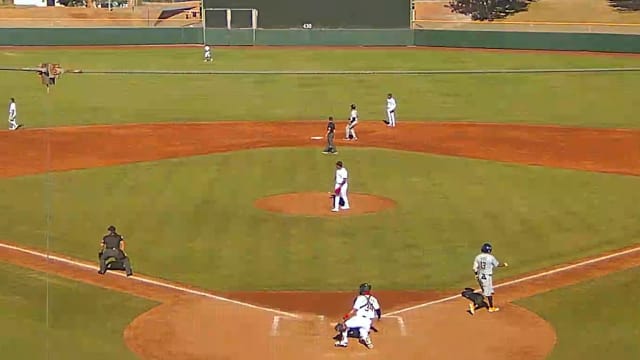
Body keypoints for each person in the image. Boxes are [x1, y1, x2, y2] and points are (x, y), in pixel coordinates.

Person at [334, 283, 381, 349]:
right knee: (363, 333)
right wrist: (378, 317)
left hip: (359, 319)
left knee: (344, 326)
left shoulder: (360, 298)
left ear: (362, 290)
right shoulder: (374, 299)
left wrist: (346, 317)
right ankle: (367, 340)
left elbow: (354, 310)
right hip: (368, 322)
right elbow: (378, 310)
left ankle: (344, 342)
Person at [471, 243, 508, 314]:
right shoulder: (490, 257)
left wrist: (476, 275)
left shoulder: (478, 257)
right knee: (487, 294)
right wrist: (504, 264)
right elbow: (497, 264)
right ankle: (474, 305)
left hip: (481, 276)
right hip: (486, 277)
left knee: (488, 292)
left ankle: (490, 307)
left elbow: (474, 268)